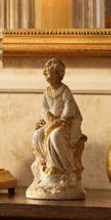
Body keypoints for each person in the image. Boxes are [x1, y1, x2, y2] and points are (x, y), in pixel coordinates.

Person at [26, 57, 86, 200]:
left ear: (59, 74)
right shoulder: (47, 91)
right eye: (46, 73)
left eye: (50, 74)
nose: (47, 77)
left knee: (55, 136)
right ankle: (46, 166)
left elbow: (69, 108)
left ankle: (63, 169)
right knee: (38, 135)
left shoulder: (65, 90)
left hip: (66, 124)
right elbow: (44, 108)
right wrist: (47, 116)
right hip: (51, 122)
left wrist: (61, 120)